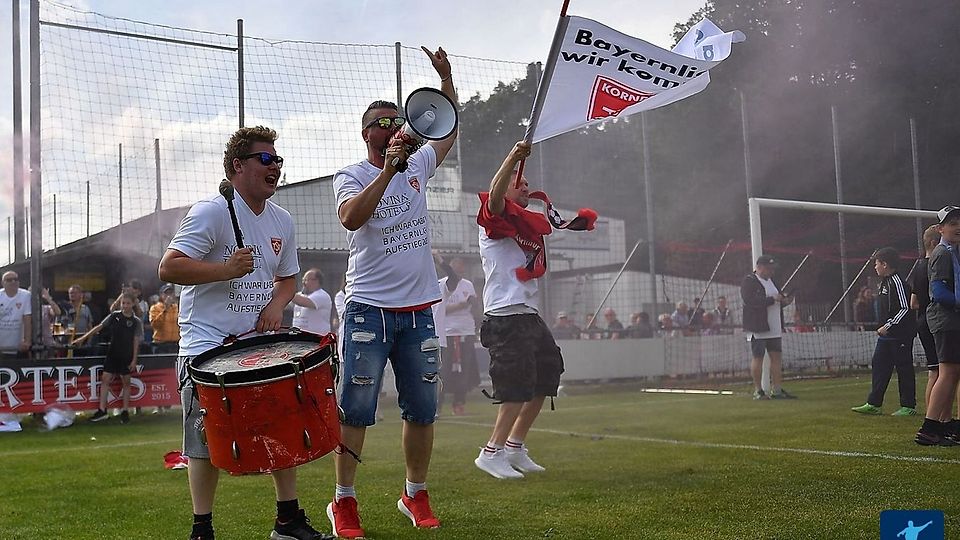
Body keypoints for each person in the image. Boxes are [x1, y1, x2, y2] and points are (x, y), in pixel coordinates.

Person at [158, 125, 332, 540]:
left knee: (285, 426)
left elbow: (288, 279)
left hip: (258, 348)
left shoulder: (282, 219)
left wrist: (275, 306)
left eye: (278, 160)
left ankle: (287, 521)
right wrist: (225, 269)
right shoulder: (212, 211)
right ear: (238, 166)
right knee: (204, 444)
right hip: (206, 347)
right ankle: (202, 530)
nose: (276, 167)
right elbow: (169, 266)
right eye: (266, 159)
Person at [326, 46, 457, 539]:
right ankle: (344, 501)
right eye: (381, 122)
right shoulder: (352, 175)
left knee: (422, 409)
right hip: (367, 310)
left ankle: (414, 492)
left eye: (395, 120)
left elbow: (450, 128)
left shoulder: (422, 161)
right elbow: (351, 218)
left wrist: (446, 80)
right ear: (366, 134)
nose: (390, 127)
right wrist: (389, 171)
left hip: (419, 309)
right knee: (355, 409)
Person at [473, 140, 565, 481]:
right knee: (515, 384)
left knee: (546, 376)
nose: (526, 186)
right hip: (506, 316)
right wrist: (511, 157)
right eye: (520, 182)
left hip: (528, 313)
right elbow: (496, 198)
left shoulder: (525, 222)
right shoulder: (492, 218)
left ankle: (514, 446)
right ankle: (491, 452)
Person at [851, 248, 917, 416]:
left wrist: (888, 326)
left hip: (900, 335)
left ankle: (908, 406)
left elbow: (905, 308)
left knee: (904, 368)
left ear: (885, 264)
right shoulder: (884, 283)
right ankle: (874, 403)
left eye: (877, 263)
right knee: (879, 364)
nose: (875, 267)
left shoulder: (898, 283)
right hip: (887, 336)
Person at [916, 206, 960, 446]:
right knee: (948, 373)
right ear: (940, 229)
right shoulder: (942, 253)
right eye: (952, 223)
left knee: (953, 373)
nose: (958, 227)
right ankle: (929, 427)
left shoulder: (953, 252)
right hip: (946, 320)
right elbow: (939, 291)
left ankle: (945, 426)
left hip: (952, 320)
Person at [73, 292, 143, 424]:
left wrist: (134, 359)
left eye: (128, 303)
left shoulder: (135, 321)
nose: (125, 306)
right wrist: (83, 338)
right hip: (113, 353)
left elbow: (136, 341)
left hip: (126, 355)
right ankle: (102, 410)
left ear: (133, 304)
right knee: (105, 379)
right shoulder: (114, 316)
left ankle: (125, 411)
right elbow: (99, 327)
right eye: (123, 303)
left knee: (126, 382)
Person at [741, 255, 796, 400]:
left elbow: (778, 300)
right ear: (759, 267)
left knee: (776, 357)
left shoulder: (773, 281)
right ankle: (758, 390)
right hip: (758, 327)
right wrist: (772, 299)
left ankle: (777, 389)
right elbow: (750, 301)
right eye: (768, 268)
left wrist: (785, 300)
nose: (771, 271)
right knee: (758, 357)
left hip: (775, 326)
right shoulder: (749, 281)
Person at [908, 225, 948, 414]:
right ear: (934, 242)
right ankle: (936, 416)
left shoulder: (918, 266)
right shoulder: (936, 265)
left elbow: (913, 303)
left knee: (935, 371)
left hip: (923, 320)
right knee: (942, 372)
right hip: (935, 321)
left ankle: (934, 414)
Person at [436, 255, 480, 416]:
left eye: (463, 267)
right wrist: (461, 305)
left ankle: (459, 403)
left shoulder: (468, 285)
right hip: (447, 333)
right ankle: (437, 406)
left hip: (466, 331)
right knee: (444, 371)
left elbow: (474, 306)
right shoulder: (442, 285)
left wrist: (474, 303)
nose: (461, 270)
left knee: (464, 371)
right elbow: (441, 310)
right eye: (458, 267)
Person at [291, 268, 333, 335]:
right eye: (303, 279)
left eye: (306, 280)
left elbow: (303, 302)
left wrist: (286, 292)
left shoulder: (322, 295)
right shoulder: (299, 295)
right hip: (299, 338)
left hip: (317, 339)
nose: (303, 283)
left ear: (316, 281)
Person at [0, 271, 31, 358]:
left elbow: (27, 319)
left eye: (16, 279)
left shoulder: (26, 295)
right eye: (9, 280)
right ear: (3, 283)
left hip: (19, 347)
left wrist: (27, 341)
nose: (13, 282)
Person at [150, 283, 181, 355]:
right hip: (160, 345)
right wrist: (165, 309)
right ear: (161, 295)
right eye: (166, 293)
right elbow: (155, 324)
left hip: (175, 345)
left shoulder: (178, 307)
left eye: (170, 293)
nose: (168, 296)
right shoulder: (155, 308)